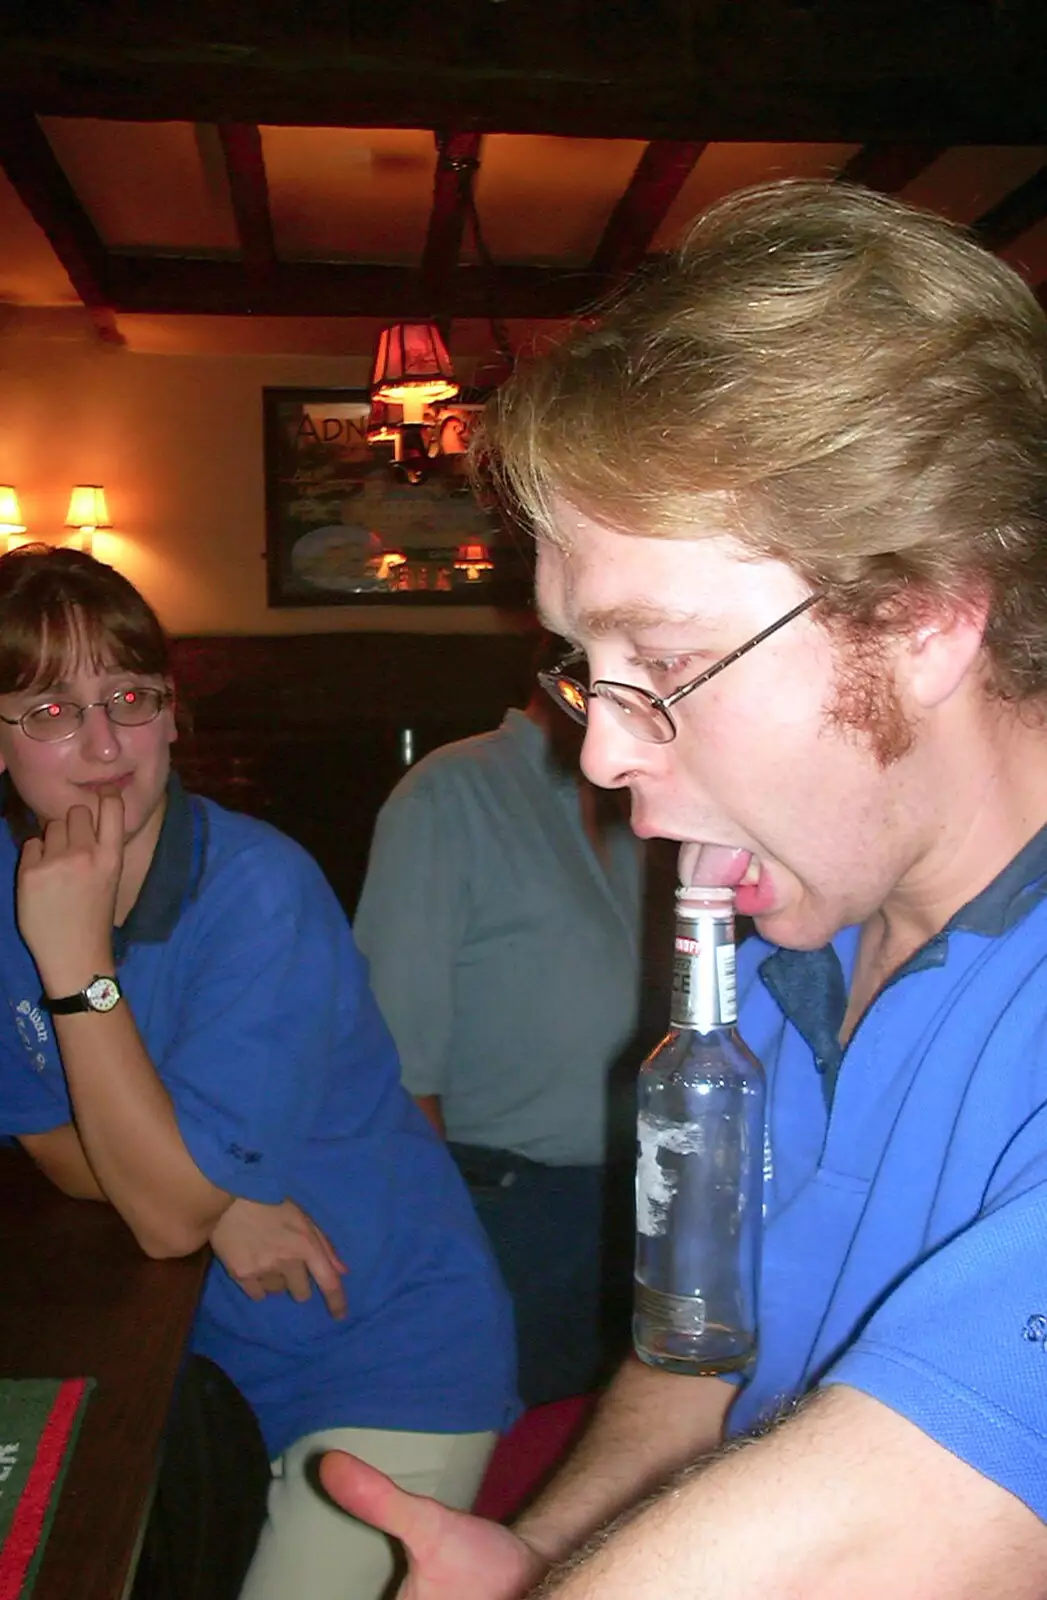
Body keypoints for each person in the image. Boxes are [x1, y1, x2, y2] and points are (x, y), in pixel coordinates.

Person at [318, 176, 1047, 1598]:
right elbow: (688, 1362)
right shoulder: (768, 963)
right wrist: (533, 1558)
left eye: (661, 663)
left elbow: (882, 1524)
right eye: (587, 670)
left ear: (919, 618)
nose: (596, 751)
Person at [0, 544, 517, 1600]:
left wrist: (77, 964)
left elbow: (162, 1217)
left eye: (130, 697)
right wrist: (216, 1196)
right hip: (194, 1356)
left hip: (384, 1349)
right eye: (49, 710)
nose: (102, 744)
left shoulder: (257, 890)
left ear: (175, 716)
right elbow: (51, 1141)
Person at [354, 633, 666, 1408]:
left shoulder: (650, 799)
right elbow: (391, 1051)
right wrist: (439, 1243)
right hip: (504, 1204)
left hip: (637, 1194)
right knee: (509, 1451)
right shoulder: (451, 793)